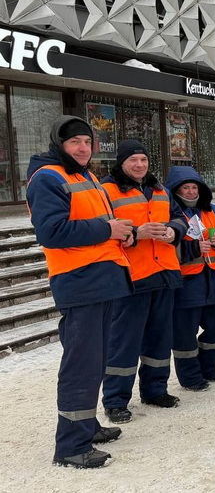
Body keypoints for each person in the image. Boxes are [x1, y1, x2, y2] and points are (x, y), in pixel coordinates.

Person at [27, 116, 134, 469]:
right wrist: (108, 228)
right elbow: (52, 232)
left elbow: (99, 227)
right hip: (80, 280)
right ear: (60, 144)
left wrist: (122, 233)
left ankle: (86, 425)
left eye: (87, 141)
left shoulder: (84, 176)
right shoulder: (48, 178)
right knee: (81, 363)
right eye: (75, 142)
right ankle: (72, 446)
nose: (83, 148)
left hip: (102, 277)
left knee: (96, 358)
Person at [101, 140, 187, 423]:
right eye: (133, 160)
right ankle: (115, 401)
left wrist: (174, 232)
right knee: (124, 341)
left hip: (164, 272)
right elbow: (103, 229)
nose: (139, 165)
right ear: (121, 162)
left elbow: (179, 217)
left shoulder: (159, 189)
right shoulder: (107, 189)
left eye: (143, 160)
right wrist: (138, 233)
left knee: (160, 338)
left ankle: (155, 390)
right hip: (130, 277)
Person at [165, 166, 215, 390]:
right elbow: (167, 247)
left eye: (195, 187)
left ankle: (208, 369)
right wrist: (193, 248)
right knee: (185, 336)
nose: (192, 192)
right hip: (186, 283)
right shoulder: (171, 214)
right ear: (176, 190)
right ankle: (191, 378)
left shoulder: (211, 210)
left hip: (214, 279)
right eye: (186, 187)